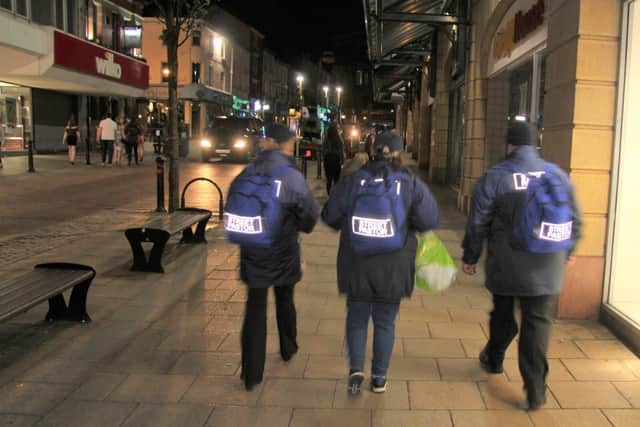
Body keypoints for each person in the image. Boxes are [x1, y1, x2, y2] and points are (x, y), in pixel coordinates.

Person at [461, 121, 582, 410]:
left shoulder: (495, 177)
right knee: (537, 324)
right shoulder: (557, 175)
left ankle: (494, 358)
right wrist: (570, 249)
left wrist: (470, 256)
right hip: (548, 264)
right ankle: (536, 391)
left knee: (503, 314)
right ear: (535, 143)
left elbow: (478, 222)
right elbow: (574, 218)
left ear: (510, 145)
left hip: (507, 265)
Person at [321, 131, 440, 395]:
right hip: (394, 265)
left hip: (356, 262)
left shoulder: (353, 180)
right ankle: (379, 378)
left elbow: (329, 216)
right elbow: (430, 220)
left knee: (357, 318)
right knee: (385, 321)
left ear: (372, 151)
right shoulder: (410, 182)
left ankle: (356, 370)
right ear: (399, 153)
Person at [224, 123, 318, 391]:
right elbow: (309, 213)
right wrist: (301, 226)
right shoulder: (289, 174)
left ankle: (251, 374)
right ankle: (288, 347)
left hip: (253, 249)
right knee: (285, 297)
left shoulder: (249, 169)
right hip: (283, 249)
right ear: (286, 144)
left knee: (255, 306)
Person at [322, 119, 345, 195]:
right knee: (336, 179)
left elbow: (323, 150)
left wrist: (324, 158)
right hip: (336, 160)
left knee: (329, 179)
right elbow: (341, 151)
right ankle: (334, 195)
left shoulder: (326, 139)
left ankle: (329, 194)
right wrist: (342, 161)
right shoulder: (339, 140)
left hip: (328, 160)